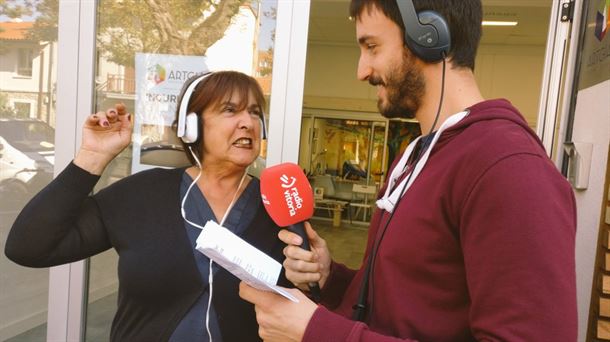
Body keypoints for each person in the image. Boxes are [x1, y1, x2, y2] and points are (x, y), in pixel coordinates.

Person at [239, 0, 578, 341]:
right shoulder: (419, 154)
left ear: (429, 36)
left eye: (372, 47)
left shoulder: (508, 168)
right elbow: (407, 304)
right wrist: (332, 278)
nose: (361, 70)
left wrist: (317, 331)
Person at [5, 70, 290, 341]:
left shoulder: (279, 206)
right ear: (191, 126)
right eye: (230, 110)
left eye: (254, 112)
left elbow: (307, 302)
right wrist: (92, 157)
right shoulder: (141, 194)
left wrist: (320, 275)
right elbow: (29, 247)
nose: (248, 122)